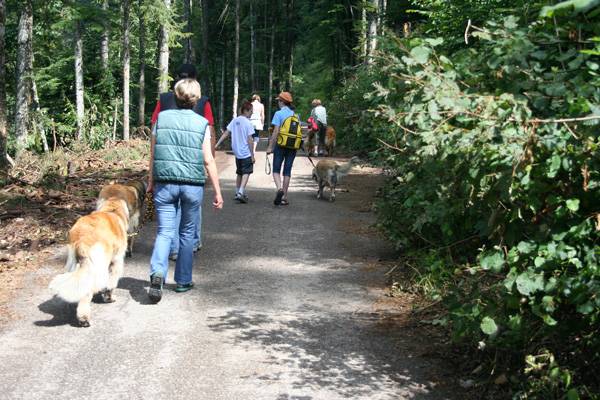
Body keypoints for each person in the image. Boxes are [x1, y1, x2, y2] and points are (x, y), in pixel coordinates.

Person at [147, 78, 223, 303]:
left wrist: (150, 180)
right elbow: (208, 160)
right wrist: (218, 191)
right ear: (196, 99)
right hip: (192, 185)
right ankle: (182, 281)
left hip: (165, 183)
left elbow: (152, 154)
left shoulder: (161, 118)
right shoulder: (202, 124)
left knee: (164, 232)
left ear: (175, 96)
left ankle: (158, 272)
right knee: (187, 234)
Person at [150, 64, 215, 260]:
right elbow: (210, 130)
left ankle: (173, 250)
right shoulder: (202, 101)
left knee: (170, 214)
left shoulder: (164, 99)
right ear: (195, 80)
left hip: (167, 165)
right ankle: (192, 242)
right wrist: (209, 160)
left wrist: (152, 174)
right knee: (192, 206)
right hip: (192, 165)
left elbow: (154, 127)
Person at [215, 101, 255, 203]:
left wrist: (217, 144)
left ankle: (237, 192)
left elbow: (226, 133)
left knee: (239, 172)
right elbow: (250, 140)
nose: (251, 113)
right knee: (246, 172)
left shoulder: (235, 120)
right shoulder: (248, 123)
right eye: (251, 111)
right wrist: (252, 155)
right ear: (246, 111)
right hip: (245, 152)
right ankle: (241, 192)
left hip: (237, 152)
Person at [266, 91, 298, 206]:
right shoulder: (295, 115)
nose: (278, 103)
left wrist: (270, 147)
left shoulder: (278, 114)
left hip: (280, 145)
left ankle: (279, 189)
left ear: (282, 102)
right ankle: (284, 196)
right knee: (287, 171)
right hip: (292, 146)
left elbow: (275, 132)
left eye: (279, 101)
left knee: (276, 170)